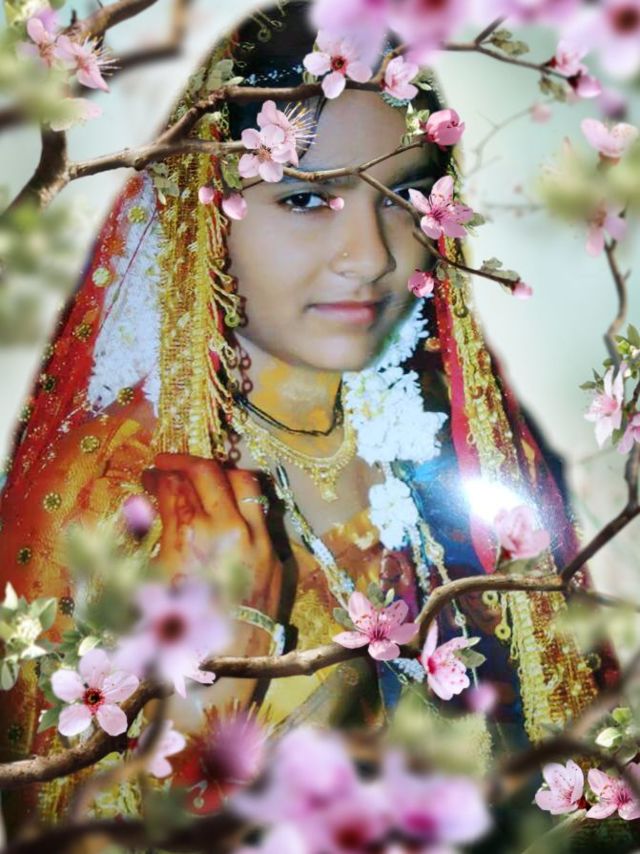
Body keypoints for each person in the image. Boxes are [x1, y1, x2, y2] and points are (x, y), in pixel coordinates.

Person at [0, 0, 620, 841]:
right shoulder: (104, 493)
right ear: (199, 210)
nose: (371, 256)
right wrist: (219, 681)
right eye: (305, 199)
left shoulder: (453, 441)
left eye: (403, 194)